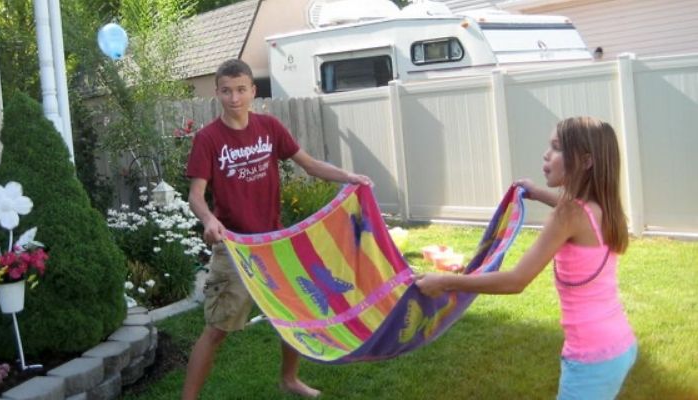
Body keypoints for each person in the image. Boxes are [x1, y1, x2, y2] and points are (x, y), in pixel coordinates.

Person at [182, 59, 372, 399]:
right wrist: (210, 220)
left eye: (241, 90)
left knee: (294, 313)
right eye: (226, 91)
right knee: (216, 329)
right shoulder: (208, 139)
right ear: (218, 93)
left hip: (274, 242)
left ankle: (289, 379)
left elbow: (310, 164)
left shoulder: (269, 127)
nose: (234, 98)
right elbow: (196, 195)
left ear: (253, 91)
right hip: (235, 247)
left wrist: (349, 177)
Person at [415, 116, 636, 399]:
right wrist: (539, 193)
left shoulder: (567, 216)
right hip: (618, 344)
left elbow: (516, 280)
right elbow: (573, 210)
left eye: (557, 147)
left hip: (591, 357)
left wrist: (445, 282)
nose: (546, 154)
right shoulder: (603, 209)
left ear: (585, 161)